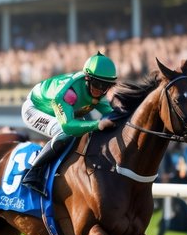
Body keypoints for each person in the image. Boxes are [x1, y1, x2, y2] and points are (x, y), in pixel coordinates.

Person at [19, 51, 118, 196]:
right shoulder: (70, 93)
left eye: (105, 86)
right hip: (34, 109)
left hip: (61, 113)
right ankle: (33, 173)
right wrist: (97, 124)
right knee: (64, 132)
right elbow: (68, 126)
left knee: (82, 129)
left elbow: (113, 115)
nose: (100, 90)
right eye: (97, 84)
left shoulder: (98, 92)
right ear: (87, 78)